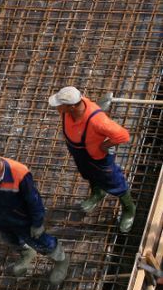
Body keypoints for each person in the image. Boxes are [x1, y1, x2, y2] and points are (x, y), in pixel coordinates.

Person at [0, 149, 70, 285]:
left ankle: (61, 260)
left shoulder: (19, 173)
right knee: (10, 239)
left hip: (22, 219)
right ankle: (27, 252)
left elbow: (34, 200)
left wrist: (37, 224)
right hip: (0, 217)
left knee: (41, 242)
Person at [49, 86, 136, 233]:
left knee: (115, 182)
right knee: (88, 175)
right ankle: (98, 194)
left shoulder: (97, 120)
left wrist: (104, 145)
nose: (56, 107)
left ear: (71, 106)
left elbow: (123, 135)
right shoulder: (69, 111)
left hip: (98, 158)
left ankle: (129, 209)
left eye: (59, 104)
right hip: (80, 154)